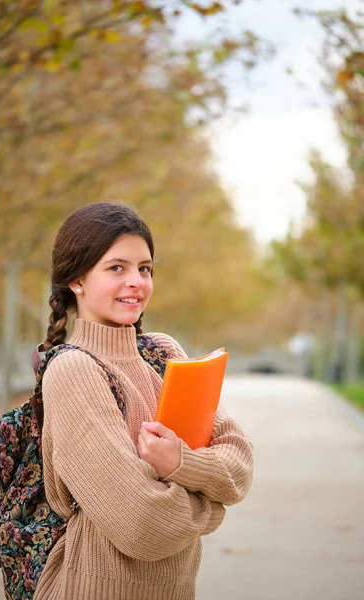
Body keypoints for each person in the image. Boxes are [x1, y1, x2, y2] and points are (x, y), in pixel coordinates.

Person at [33, 201, 254, 600]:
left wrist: (179, 463)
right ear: (77, 281)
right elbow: (143, 524)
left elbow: (239, 460)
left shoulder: (164, 353)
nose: (136, 281)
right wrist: (212, 507)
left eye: (145, 268)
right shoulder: (73, 371)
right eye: (117, 267)